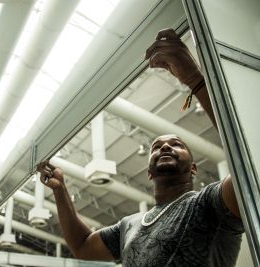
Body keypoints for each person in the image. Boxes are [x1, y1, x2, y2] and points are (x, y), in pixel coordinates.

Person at [37, 29, 243, 267]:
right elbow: (82, 244)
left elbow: (250, 162)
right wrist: (60, 189)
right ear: (149, 172)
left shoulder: (209, 204)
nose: (165, 146)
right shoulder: (130, 225)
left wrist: (196, 80)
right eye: (157, 147)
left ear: (194, 168)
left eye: (177, 144)